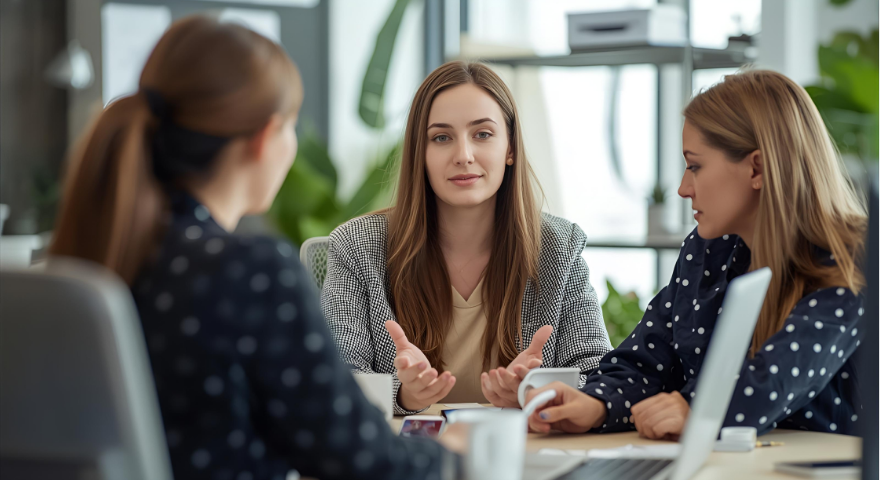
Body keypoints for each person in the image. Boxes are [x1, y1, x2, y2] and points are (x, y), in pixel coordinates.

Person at [50, 16, 461, 480]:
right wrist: (460, 457)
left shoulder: (86, 261)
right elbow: (359, 460)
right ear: (267, 138)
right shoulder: (248, 272)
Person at [525, 69, 867, 438]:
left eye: (695, 165)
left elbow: (776, 379)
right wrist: (595, 404)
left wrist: (694, 410)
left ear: (758, 167)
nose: (683, 188)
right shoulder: (706, 251)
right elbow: (647, 358)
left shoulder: (856, 261)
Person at [321, 61, 611, 415]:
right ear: (420, 153)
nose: (463, 156)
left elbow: (597, 376)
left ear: (510, 149)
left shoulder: (558, 246)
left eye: (483, 134)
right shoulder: (357, 246)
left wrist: (532, 392)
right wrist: (406, 394)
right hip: (403, 457)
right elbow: (335, 381)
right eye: (441, 138)